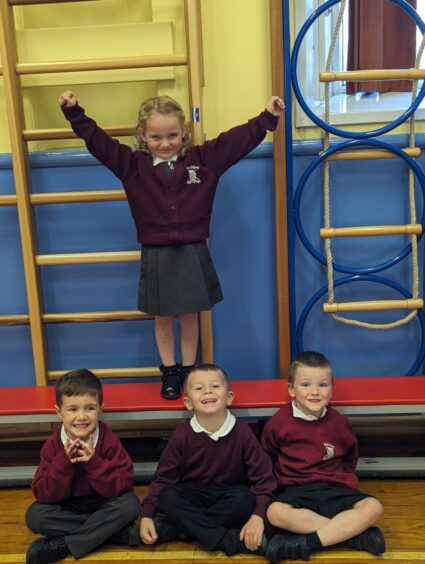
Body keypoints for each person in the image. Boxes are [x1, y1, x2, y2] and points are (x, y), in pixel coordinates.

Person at [59, 91, 285, 400]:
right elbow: (98, 142)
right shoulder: (131, 165)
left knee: (190, 315)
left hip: (192, 251)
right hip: (157, 253)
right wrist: (74, 113)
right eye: (156, 137)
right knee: (163, 317)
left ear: (184, 133)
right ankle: (169, 371)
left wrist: (267, 118)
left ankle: (190, 370)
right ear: (142, 136)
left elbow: (236, 141)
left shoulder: (203, 160)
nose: (165, 143)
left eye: (172, 136)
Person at [139, 363, 276, 556]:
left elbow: (264, 480)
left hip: (229, 495)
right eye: (199, 388)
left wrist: (258, 516)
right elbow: (163, 479)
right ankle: (226, 540)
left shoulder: (242, 432)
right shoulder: (182, 434)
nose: (208, 391)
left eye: (215, 386)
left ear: (229, 397)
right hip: (193, 494)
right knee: (168, 496)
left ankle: (181, 529)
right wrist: (146, 516)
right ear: (188, 403)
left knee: (245, 499)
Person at [261, 351, 386, 563]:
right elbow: (267, 458)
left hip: (335, 489)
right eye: (306, 384)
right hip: (297, 491)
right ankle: (352, 535)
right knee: (275, 513)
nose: (315, 392)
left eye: (323, 384)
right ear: (291, 389)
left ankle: (307, 544)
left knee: (374, 508)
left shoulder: (339, 422)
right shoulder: (278, 423)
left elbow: (350, 457)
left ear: (332, 388)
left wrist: (344, 481)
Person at [25, 369, 141, 564]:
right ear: (59, 412)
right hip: (67, 506)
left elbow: (122, 486)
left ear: (100, 410)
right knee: (35, 516)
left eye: (89, 408)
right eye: (72, 409)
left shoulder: (109, 440)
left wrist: (94, 461)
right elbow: (44, 495)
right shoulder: (52, 445)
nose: (81, 417)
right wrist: (63, 462)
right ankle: (113, 534)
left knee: (130, 504)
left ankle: (64, 545)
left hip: (103, 502)